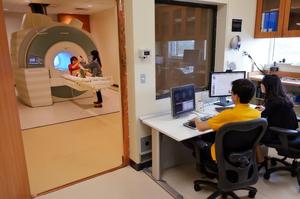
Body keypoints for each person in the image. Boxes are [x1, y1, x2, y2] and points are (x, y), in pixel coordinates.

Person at [187, 79, 260, 172]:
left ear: (236, 96)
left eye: (231, 93)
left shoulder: (228, 114)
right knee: (210, 135)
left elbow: (201, 127)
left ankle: (208, 170)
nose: (231, 95)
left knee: (193, 140)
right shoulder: (257, 113)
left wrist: (196, 119)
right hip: (243, 151)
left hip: (221, 154)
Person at [256, 74, 298, 142]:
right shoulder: (281, 98)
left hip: (281, 134)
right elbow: (275, 112)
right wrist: (265, 109)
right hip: (290, 132)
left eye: (262, 83)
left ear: (267, 86)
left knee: (253, 134)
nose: (261, 85)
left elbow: (261, 116)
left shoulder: (273, 101)